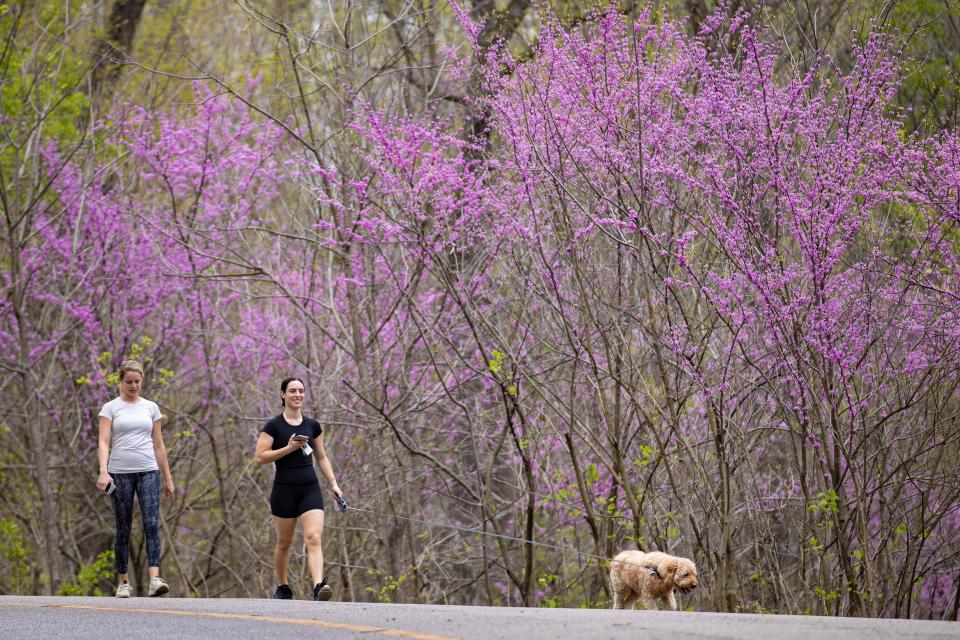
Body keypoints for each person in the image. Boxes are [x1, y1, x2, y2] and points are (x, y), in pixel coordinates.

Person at [255, 376, 343, 601]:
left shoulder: (312, 426)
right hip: (284, 491)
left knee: (314, 537)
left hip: (309, 489)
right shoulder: (273, 426)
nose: (297, 395)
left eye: (301, 391)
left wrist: (333, 483)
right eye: (292, 391)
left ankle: (318, 586)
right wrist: (288, 448)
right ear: (283, 394)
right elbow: (260, 457)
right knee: (284, 543)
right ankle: (283, 586)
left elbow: (322, 457)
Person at [96, 359, 175, 598]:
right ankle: (123, 582)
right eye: (129, 382)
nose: (133, 386)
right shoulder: (110, 408)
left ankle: (154, 579)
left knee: (151, 523)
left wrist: (168, 478)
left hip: (148, 470)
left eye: (137, 382)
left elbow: (159, 445)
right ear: (120, 381)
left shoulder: (150, 407)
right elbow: (103, 442)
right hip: (119, 473)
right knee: (123, 527)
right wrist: (103, 470)